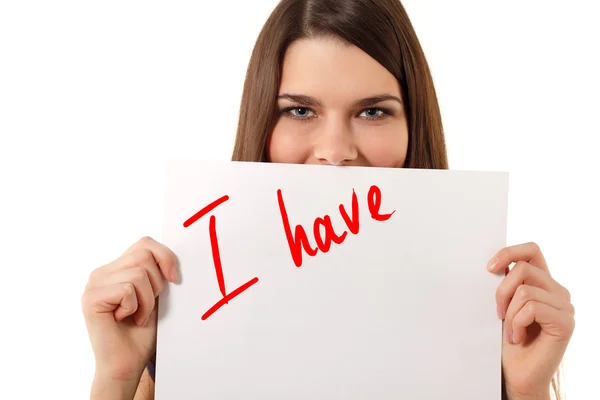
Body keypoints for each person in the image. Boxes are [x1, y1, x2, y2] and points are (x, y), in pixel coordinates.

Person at [81, 0, 575, 399]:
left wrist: (527, 389)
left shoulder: (480, 317)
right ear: (262, 123)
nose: (336, 153)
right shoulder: (193, 317)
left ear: (413, 125)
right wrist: (116, 379)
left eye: (374, 112)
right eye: (299, 110)